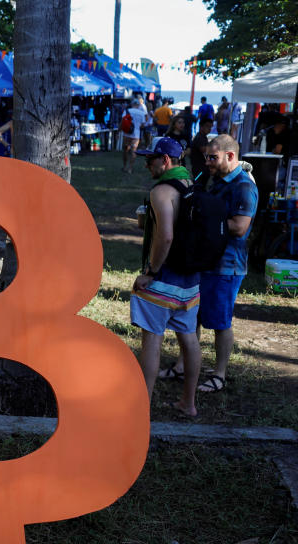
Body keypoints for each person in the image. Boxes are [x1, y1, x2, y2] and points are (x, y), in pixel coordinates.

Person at [162, 135, 258, 392]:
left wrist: (201, 224)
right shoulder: (208, 178)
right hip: (202, 260)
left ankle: (219, 374)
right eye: (206, 157)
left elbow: (239, 227)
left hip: (226, 266)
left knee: (219, 321)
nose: (207, 162)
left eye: (212, 157)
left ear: (230, 156)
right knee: (191, 317)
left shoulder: (244, 186)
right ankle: (183, 365)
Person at [130, 136, 201, 416]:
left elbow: (166, 236)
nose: (147, 165)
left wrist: (150, 272)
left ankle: (141, 409)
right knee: (190, 340)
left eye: (151, 160)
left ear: (166, 160)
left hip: (163, 282)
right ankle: (188, 404)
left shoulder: (161, 192)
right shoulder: (191, 184)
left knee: (152, 340)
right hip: (190, 282)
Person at [121, 99, 148, 173]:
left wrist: (119, 131)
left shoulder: (127, 111)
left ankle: (124, 166)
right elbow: (143, 125)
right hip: (136, 135)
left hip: (126, 134)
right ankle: (130, 168)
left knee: (125, 150)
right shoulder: (142, 113)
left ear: (131, 104)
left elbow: (122, 121)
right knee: (133, 151)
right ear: (139, 105)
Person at [189, 117, 213, 183]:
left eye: (211, 127)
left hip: (202, 168)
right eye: (207, 126)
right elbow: (204, 150)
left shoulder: (203, 137)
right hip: (199, 169)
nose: (209, 129)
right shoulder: (199, 138)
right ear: (201, 126)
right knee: (197, 185)